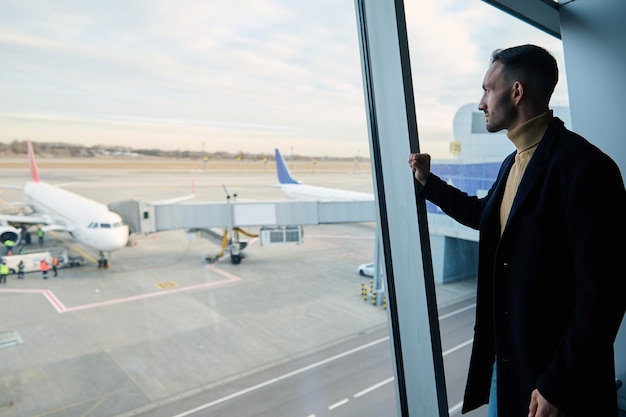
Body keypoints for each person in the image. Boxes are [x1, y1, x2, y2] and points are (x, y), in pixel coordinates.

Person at [408, 44, 626, 417]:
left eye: (487, 90)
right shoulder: (514, 162)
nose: (481, 103)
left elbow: (604, 293)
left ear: (516, 92)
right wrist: (430, 183)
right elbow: (485, 215)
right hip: (510, 365)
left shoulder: (586, 168)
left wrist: (559, 381)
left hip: (556, 381)